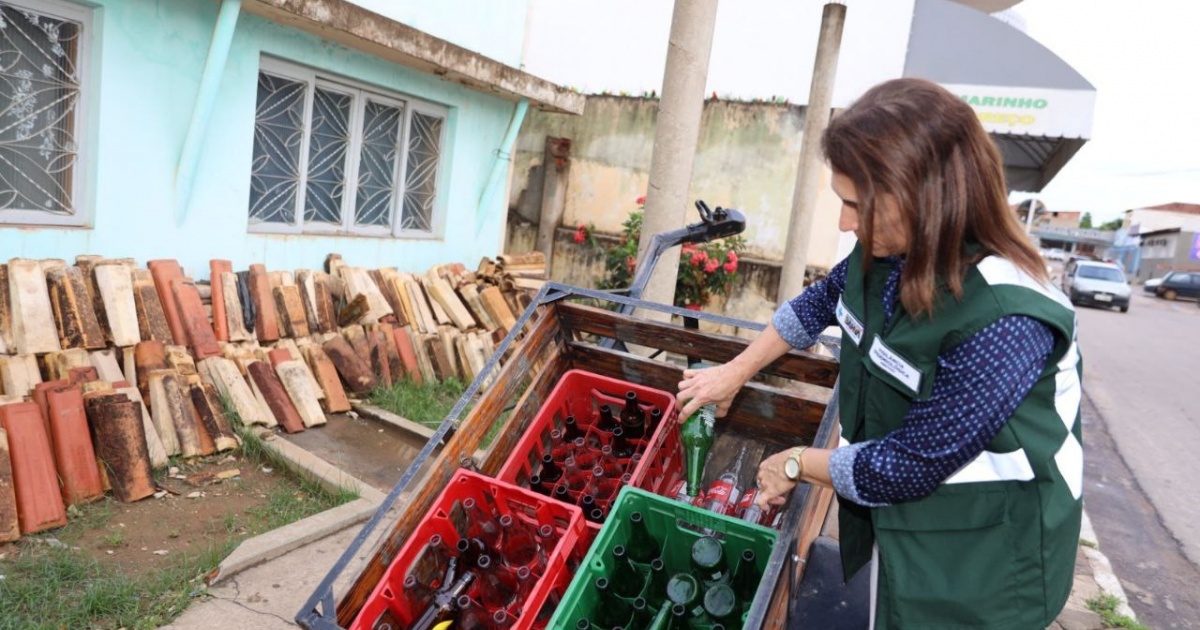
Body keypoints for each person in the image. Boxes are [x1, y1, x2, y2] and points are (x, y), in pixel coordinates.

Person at [676, 78, 1082, 629]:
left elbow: (907, 466)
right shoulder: (884, 256)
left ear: (925, 197)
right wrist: (733, 371)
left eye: (855, 205)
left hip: (986, 558)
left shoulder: (1005, 318)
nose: (845, 224)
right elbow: (819, 302)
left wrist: (796, 461)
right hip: (905, 523)